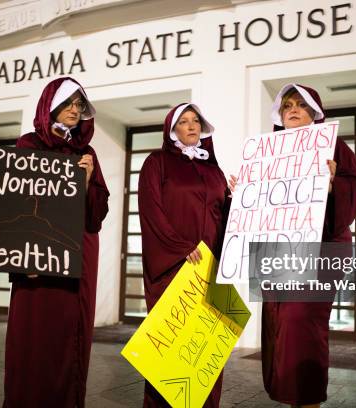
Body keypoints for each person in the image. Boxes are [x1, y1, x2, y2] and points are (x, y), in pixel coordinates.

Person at [230, 84, 356, 407]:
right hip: (279, 255)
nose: (293, 109)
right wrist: (242, 196)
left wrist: (334, 185)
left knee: (301, 324)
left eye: (301, 105)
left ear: (314, 113)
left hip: (322, 252)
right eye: (287, 105)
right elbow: (263, 208)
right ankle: (296, 399)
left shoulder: (333, 146)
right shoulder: (269, 151)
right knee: (283, 329)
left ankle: (308, 401)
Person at [3, 77, 109, 408]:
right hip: (38, 258)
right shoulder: (28, 144)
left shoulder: (87, 153)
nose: (74, 111)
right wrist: (23, 259)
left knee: (69, 336)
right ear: (51, 106)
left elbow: (97, 216)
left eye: (79, 105)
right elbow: (15, 202)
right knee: (33, 336)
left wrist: (89, 181)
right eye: (68, 104)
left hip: (77, 256)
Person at [138, 103, 231, 407]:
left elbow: (222, 219)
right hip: (174, 268)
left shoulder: (213, 170)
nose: (192, 126)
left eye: (196, 121)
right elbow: (152, 211)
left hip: (209, 270)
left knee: (203, 352)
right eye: (184, 122)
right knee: (173, 351)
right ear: (172, 129)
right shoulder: (157, 162)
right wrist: (180, 247)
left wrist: (236, 200)